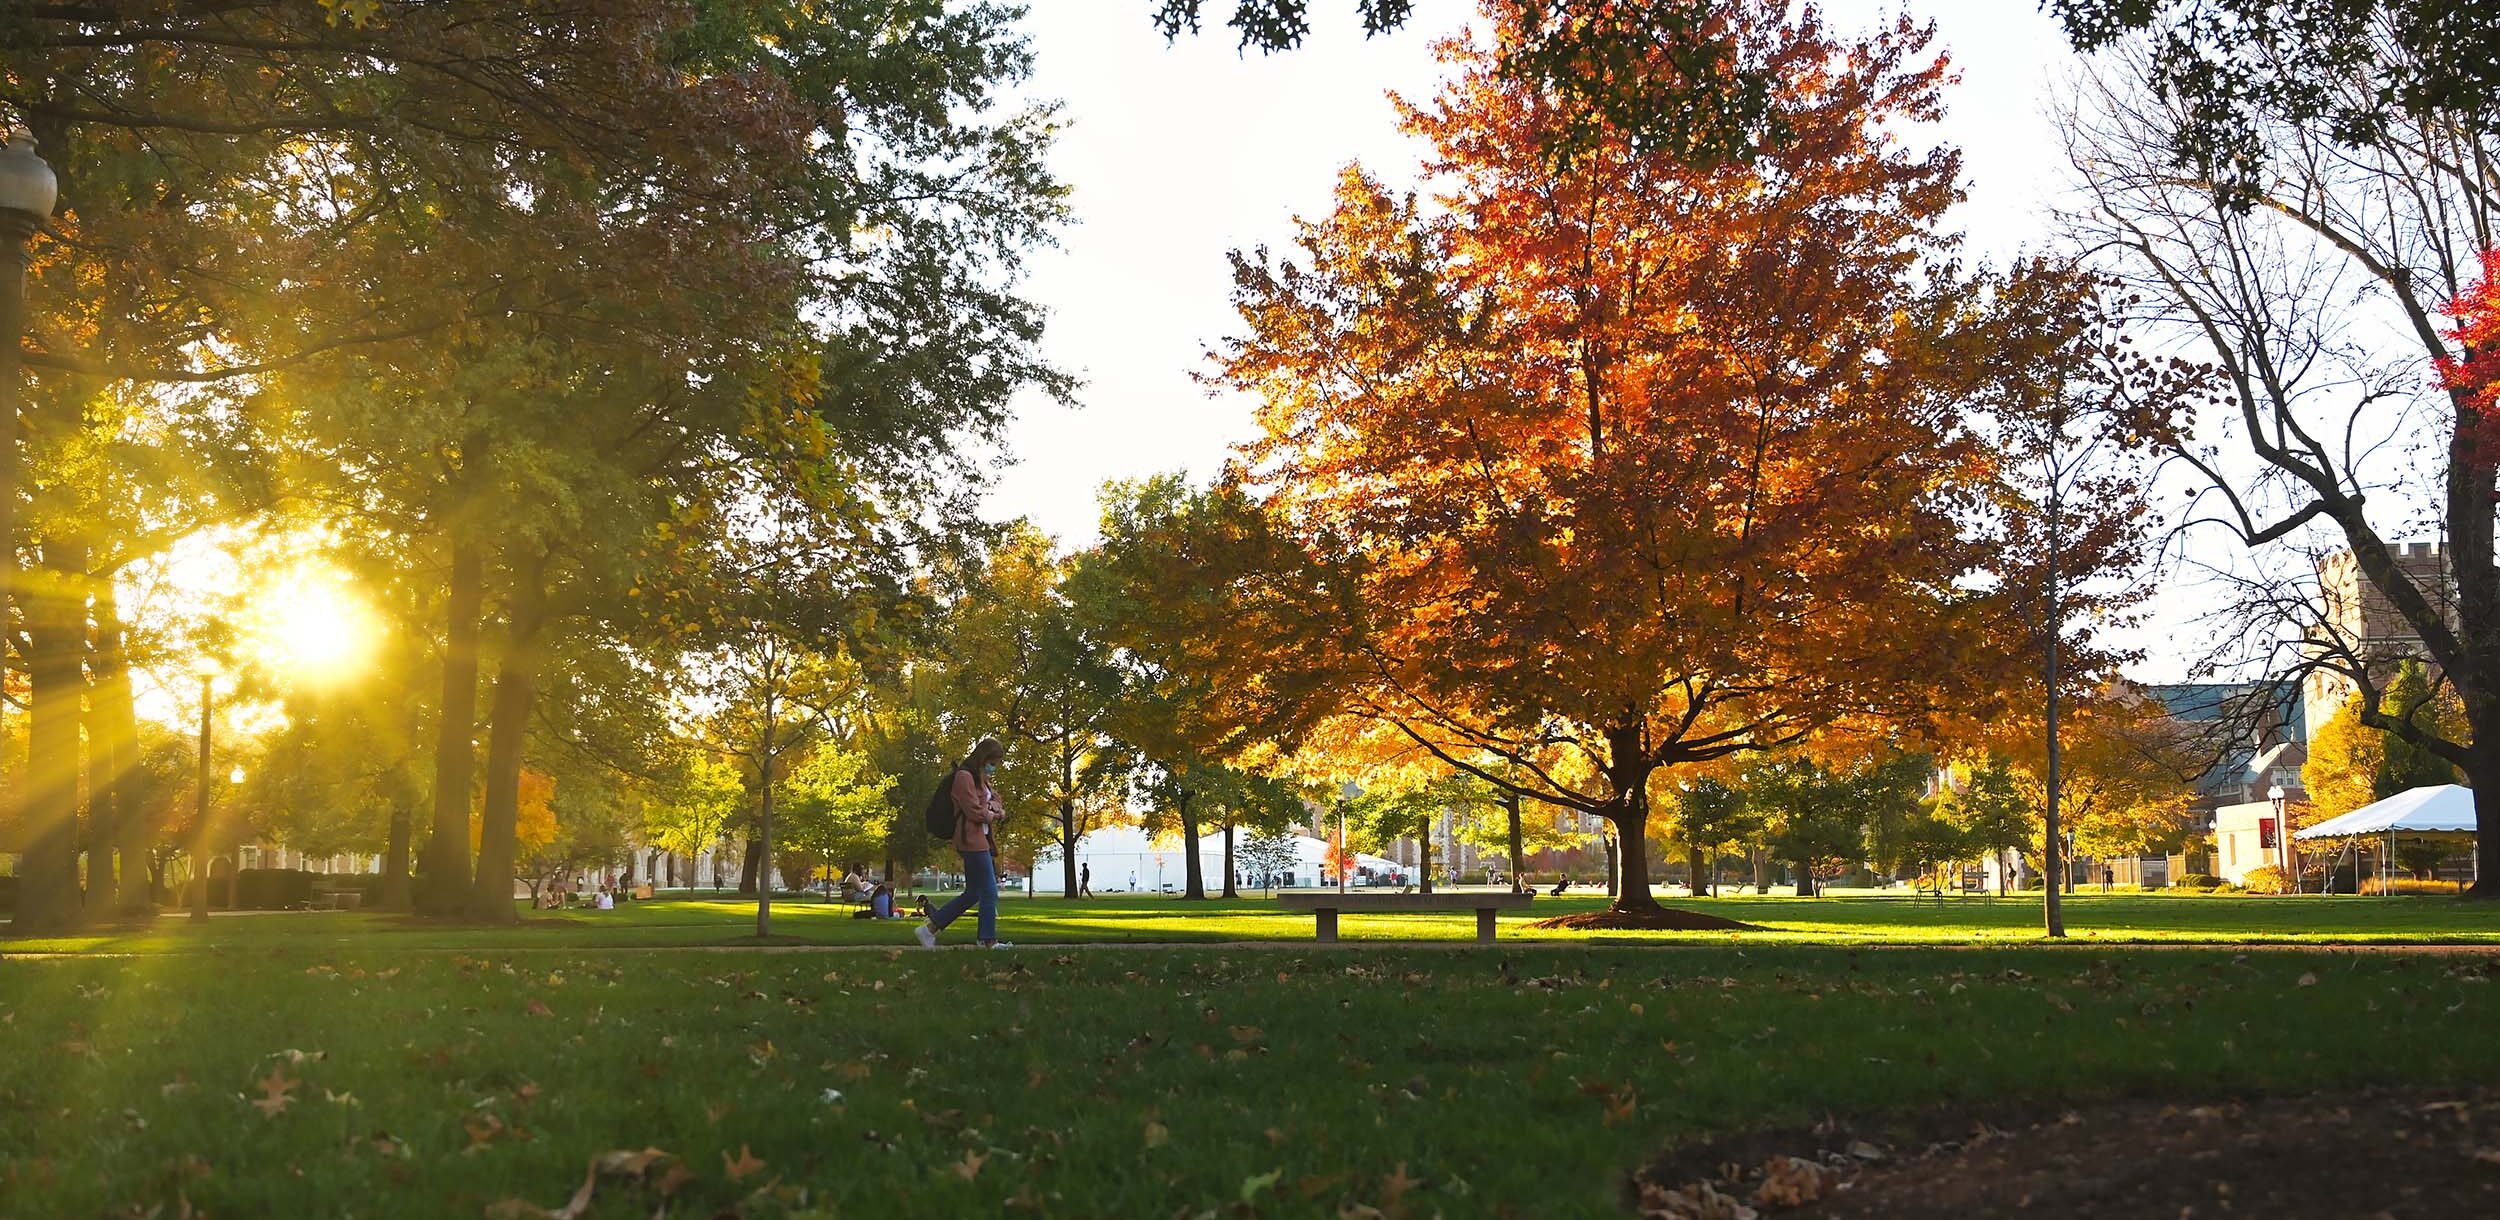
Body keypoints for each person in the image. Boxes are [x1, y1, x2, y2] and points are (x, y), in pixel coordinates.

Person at [917, 737, 1012, 949]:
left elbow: (996, 799)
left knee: (973, 893)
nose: (994, 768)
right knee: (989, 891)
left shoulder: (982, 778)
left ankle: (929, 929)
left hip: (983, 839)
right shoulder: (964, 777)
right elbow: (974, 811)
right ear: (984, 757)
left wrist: (993, 808)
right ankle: (987, 939)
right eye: (993, 762)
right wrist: (994, 813)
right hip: (971, 839)